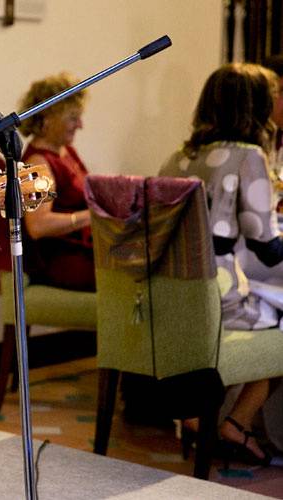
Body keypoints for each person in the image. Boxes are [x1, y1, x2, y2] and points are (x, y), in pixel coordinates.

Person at [159, 62, 281, 466]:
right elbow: (265, 245)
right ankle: (238, 423)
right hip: (218, 301)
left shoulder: (178, 157)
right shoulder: (247, 156)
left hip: (173, 303)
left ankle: (199, 418)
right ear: (256, 107)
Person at [17, 72, 94, 291]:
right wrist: (92, 216)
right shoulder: (37, 162)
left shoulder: (66, 152)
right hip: (60, 261)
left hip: (82, 251)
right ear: (48, 120)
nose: (80, 125)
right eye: (72, 118)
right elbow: (38, 226)